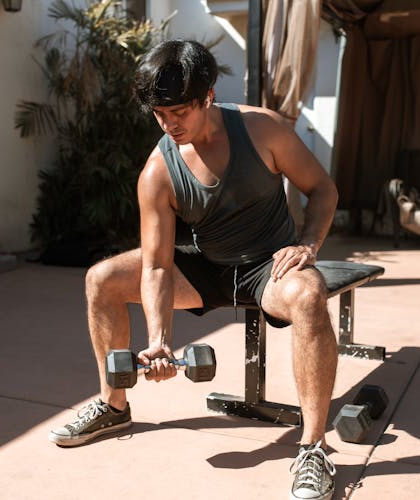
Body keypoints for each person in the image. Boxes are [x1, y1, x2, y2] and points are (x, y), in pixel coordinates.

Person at [48, 39, 340, 500]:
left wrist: (308, 243)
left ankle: (312, 448)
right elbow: (159, 267)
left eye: (179, 111)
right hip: (205, 268)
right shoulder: (158, 171)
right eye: (159, 115)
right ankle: (114, 403)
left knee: (308, 294)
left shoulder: (263, 130)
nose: (169, 124)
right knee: (101, 278)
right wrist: (159, 339)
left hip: (270, 267)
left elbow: (322, 188)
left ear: (208, 96)